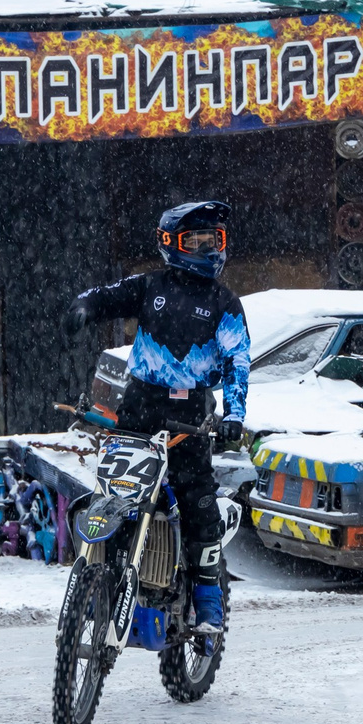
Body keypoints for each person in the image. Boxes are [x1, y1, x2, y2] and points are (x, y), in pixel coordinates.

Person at [69, 201, 250, 633]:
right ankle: (103, 571)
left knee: (197, 501)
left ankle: (208, 604)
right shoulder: (150, 286)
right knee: (112, 491)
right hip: (139, 407)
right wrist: (80, 309)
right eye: (197, 241)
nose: (208, 249)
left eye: (214, 240)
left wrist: (234, 416)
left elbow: (237, 363)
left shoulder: (225, 303)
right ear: (171, 244)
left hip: (190, 416)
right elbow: (105, 297)